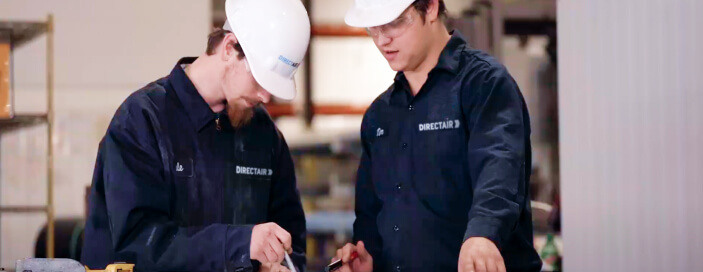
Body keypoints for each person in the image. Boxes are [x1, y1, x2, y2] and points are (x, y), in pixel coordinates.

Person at [81, 0, 310, 271]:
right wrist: (241, 245)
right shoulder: (141, 122)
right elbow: (135, 245)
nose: (265, 96)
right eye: (260, 79)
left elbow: (291, 241)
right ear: (228, 48)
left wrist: (277, 265)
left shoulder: (264, 136)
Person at [333, 0, 542, 271]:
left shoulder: (484, 84)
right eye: (373, 29)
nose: (383, 40)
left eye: (394, 23)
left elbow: (500, 169)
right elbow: (371, 215)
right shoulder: (379, 115)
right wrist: (365, 258)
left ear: (430, 7)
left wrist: (483, 234)